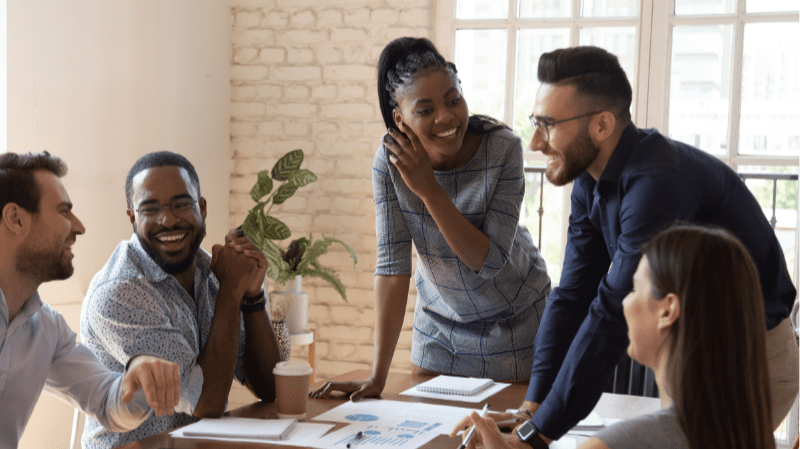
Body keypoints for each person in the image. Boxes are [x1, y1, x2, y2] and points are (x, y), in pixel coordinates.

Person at [509, 45, 797, 447]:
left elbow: (611, 311)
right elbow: (573, 296)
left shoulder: (657, 183)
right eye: (535, 121)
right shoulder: (591, 180)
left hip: (749, 357)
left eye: (548, 123)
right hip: (689, 350)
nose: (536, 141)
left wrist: (535, 436)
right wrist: (531, 411)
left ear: (602, 125)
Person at [312, 37, 551, 400]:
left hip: (516, 323)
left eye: (453, 100)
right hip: (440, 328)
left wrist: (428, 189)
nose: (446, 117)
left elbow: (487, 261)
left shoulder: (503, 148)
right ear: (399, 118)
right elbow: (393, 267)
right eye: (424, 110)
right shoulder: (388, 162)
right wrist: (377, 377)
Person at [453, 224, 776, 449]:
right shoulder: (746, 431)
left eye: (635, 289)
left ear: (668, 310)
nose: (625, 302)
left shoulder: (618, 444)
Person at [79, 151, 282, 449]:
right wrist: (231, 290)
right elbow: (205, 401)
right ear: (132, 217)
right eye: (150, 209)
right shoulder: (121, 291)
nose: (168, 220)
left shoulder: (208, 271)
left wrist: (251, 295)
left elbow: (270, 388)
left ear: (201, 208)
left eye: (181, 204)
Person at [0, 151, 181, 449]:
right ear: (16, 219)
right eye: (63, 211)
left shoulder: (47, 328)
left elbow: (107, 401)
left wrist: (139, 379)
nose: (79, 227)